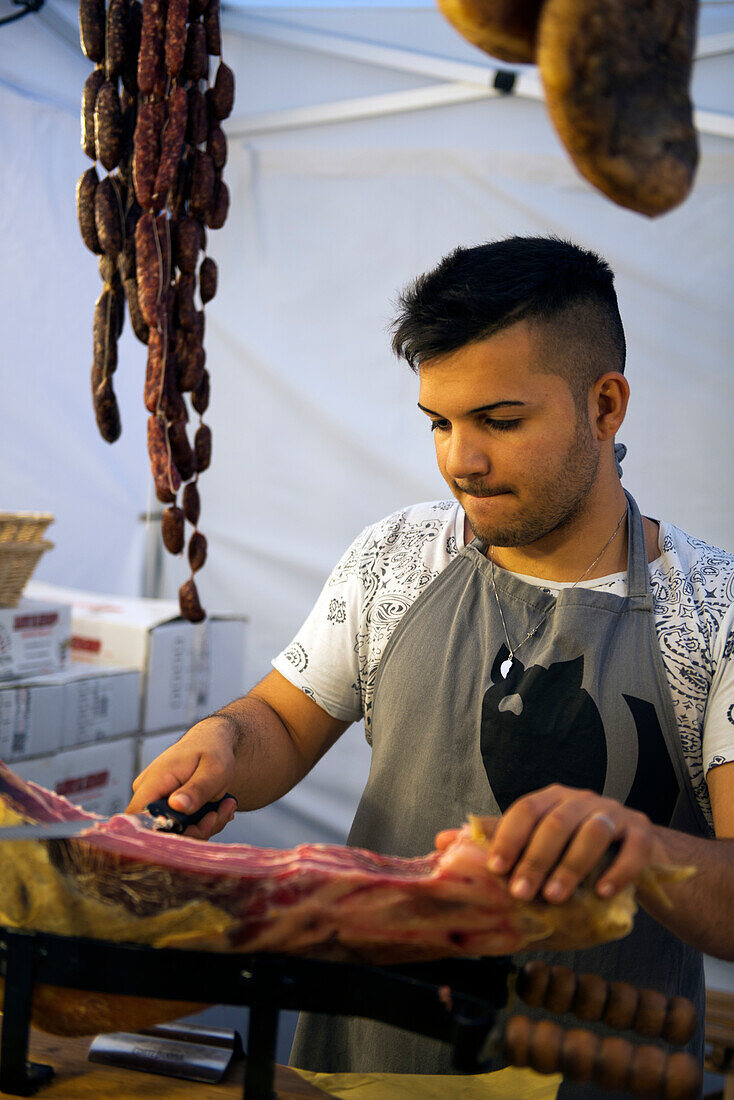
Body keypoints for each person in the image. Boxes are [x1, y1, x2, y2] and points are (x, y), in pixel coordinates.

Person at [128, 237, 734, 1094]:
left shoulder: (714, 613)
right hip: (358, 1066)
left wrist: (639, 847)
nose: (460, 461)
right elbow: (280, 721)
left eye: (500, 421)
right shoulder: (394, 557)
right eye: (440, 423)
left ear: (605, 406)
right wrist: (223, 739)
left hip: (594, 1073)